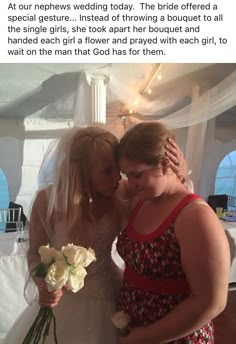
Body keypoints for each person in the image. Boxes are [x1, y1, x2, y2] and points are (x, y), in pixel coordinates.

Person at [3, 126, 189, 344]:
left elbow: (162, 193)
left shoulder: (121, 192)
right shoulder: (49, 200)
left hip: (111, 295)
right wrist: (43, 283)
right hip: (65, 302)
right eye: (107, 171)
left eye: (118, 171)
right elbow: (34, 252)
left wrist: (180, 175)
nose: (118, 179)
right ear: (82, 170)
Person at [116, 122, 230, 344]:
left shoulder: (195, 216)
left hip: (176, 337)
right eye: (127, 175)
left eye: (137, 174)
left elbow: (212, 301)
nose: (130, 183)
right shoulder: (141, 200)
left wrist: (147, 337)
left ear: (166, 163)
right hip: (134, 329)